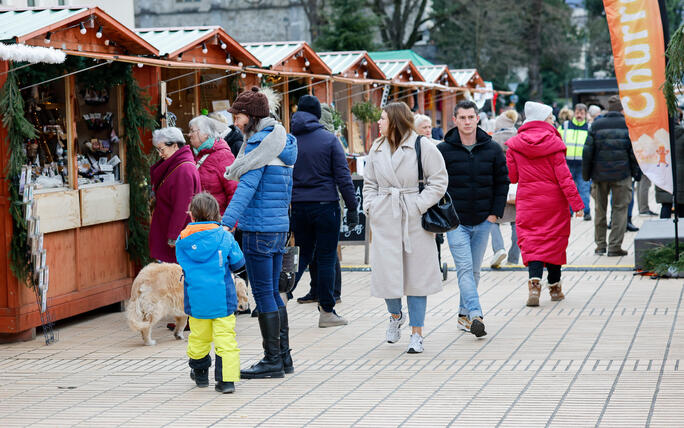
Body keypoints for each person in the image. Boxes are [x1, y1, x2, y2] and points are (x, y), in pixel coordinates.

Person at [222, 87, 298, 379]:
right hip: (279, 228)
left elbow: (247, 187)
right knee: (275, 294)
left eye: (239, 117)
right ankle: (284, 358)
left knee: (264, 294)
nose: (236, 123)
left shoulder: (259, 147)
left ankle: (271, 361)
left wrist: (226, 223)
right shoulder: (282, 143)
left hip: (258, 230)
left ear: (252, 117)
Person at [363, 102, 448, 353]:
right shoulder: (377, 148)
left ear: (395, 120)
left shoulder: (423, 146)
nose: (378, 123)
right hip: (386, 216)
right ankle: (396, 315)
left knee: (417, 278)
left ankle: (417, 333)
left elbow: (439, 180)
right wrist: (371, 206)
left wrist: (418, 205)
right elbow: (369, 184)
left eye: (382, 118)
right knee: (387, 275)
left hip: (414, 220)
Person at [437, 101, 509, 338]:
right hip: (455, 221)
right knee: (465, 269)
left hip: (483, 219)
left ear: (478, 118)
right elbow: (435, 184)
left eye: (471, 117)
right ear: (455, 120)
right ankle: (476, 314)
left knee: (474, 271)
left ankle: (462, 316)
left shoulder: (493, 149)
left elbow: (502, 182)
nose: (467, 122)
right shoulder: (443, 150)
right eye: (462, 118)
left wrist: (494, 214)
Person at [506, 102, 584, 306]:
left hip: (528, 201)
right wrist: (577, 204)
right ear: (542, 119)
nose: (553, 121)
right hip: (553, 203)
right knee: (554, 241)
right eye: (550, 117)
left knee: (532, 242)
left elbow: (512, 177)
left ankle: (534, 285)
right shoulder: (555, 144)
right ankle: (555, 287)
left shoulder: (514, 145)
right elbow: (565, 178)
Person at [290, 95, 357, 327]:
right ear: (318, 114)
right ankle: (327, 312)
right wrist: (352, 207)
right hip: (325, 206)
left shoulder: (289, 140)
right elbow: (343, 177)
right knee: (327, 257)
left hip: (298, 206)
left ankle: (282, 295)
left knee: (302, 254)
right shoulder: (329, 140)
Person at [176, 192, 245, 394]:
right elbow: (239, 262)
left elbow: (183, 262)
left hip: (196, 299)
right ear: (217, 214)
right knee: (225, 339)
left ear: (192, 216)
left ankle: (200, 375)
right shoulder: (224, 236)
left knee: (198, 337)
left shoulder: (183, 239)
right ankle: (226, 381)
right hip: (222, 299)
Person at [582, 95, 641, 257]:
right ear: (622, 109)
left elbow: (587, 151)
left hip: (599, 176)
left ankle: (600, 245)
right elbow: (634, 152)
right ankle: (615, 246)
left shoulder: (596, 124)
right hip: (622, 175)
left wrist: (586, 175)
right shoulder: (628, 125)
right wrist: (636, 173)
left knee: (600, 210)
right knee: (620, 209)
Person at [149, 127, 201, 263]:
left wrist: (173, 236)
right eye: (158, 150)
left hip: (178, 234)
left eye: (162, 149)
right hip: (171, 230)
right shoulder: (176, 165)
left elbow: (182, 206)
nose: (160, 154)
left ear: (175, 145)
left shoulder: (183, 169)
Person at [187, 115, 237, 215]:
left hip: (217, 223)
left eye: (192, 131)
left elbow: (235, 192)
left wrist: (229, 223)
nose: (189, 134)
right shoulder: (197, 155)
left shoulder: (223, 156)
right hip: (200, 221)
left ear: (205, 134)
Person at [490, 109, 521, 267]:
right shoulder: (519, 138)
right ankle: (513, 259)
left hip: (497, 186)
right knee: (517, 223)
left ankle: (498, 249)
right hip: (517, 185)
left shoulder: (493, 140)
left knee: (493, 220)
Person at [558, 103, 591, 221]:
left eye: (582, 113)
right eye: (577, 112)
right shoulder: (565, 126)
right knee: (567, 189)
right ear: (574, 112)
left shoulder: (589, 128)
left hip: (583, 164)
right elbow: (557, 141)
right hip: (566, 163)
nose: (579, 115)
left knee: (584, 188)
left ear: (586, 114)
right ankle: (569, 211)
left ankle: (586, 212)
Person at [655, 124, 684, 218]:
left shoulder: (657, 134)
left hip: (664, 172)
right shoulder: (682, 133)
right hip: (681, 175)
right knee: (682, 205)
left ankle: (663, 230)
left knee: (666, 204)